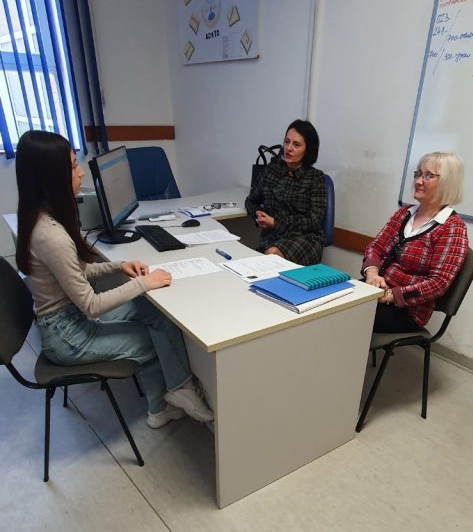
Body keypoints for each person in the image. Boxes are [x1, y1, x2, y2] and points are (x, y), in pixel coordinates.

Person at [15, 130, 213, 428]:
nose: (81, 172)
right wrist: (142, 283)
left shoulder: (41, 218)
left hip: (68, 318)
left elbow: (76, 273)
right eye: (73, 166)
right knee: (149, 338)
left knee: (153, 313)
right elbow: (91, 305)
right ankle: (167, 402)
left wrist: (119, 266)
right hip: (66, 335)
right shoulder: (51, 236)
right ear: (50, 177)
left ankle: (175, 393)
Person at [362, 152, 468, 333]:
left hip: (407, 310)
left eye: (428, 175)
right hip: (376, 290)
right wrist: (372, 273)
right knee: (331, 304)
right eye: (418, 174)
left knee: (344, 317)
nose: (418, 181)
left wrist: (391, 295)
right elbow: (376, 246)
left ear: (447, 182)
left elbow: (438, 283)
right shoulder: (403, 213)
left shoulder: (452, 228)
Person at [245, 119, 326, 265]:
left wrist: (276, 223)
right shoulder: (271, 170)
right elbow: (251, 201)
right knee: (260, 260)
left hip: (305, 239)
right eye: (287, 142)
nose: (288, 148)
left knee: (271, 257)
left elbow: (313, 220)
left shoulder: (315, 177)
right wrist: (257, 213)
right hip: (273, 238)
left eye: (296, 145)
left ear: (307, 150)